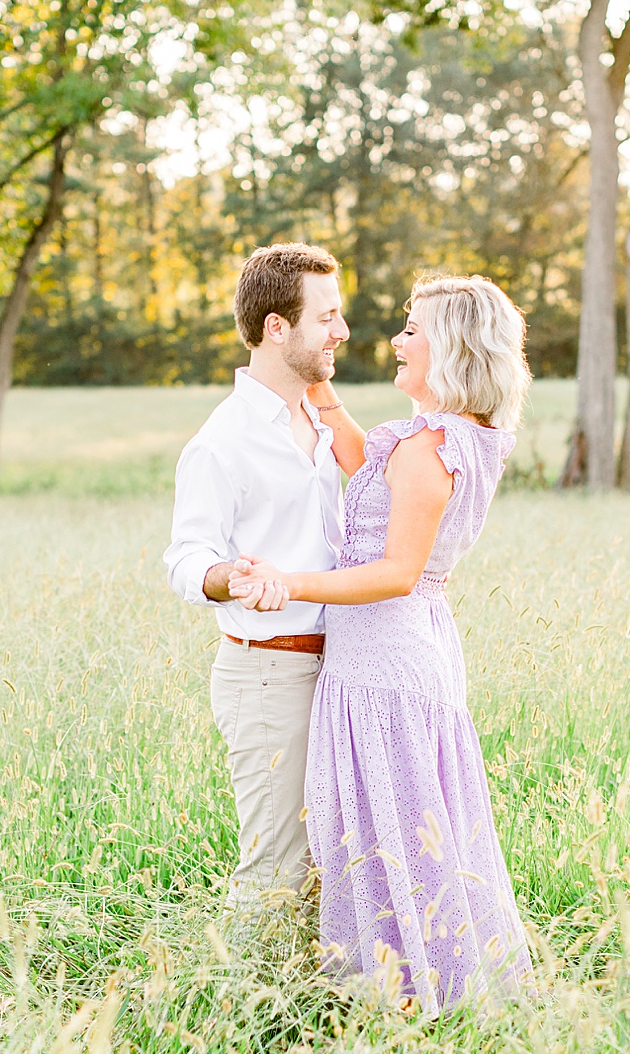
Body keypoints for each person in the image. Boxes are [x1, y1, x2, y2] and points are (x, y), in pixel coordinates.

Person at [229, 274, 534, 1013]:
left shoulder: (431, 448)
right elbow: (373, 468)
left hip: (383, 663)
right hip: (408, 651)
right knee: (409, 823)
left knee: (384, 830)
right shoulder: (454, 436)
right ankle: (411, 991)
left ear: (452, 349)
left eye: (412, 331)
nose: (396, 341)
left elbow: (396, 571)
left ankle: (403, 997)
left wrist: (288, 581)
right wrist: (323, 393)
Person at [163, 242, 350, 914]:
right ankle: (243, 1008)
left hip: (337, 672)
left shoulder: (322, 419)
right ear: (278, 327)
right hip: (269, 674)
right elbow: (185, 557)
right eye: (326, 316)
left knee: (329, 859)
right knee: (276, 866)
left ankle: (315, 1008)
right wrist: (229, 577)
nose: (341, 331)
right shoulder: (223, 440)